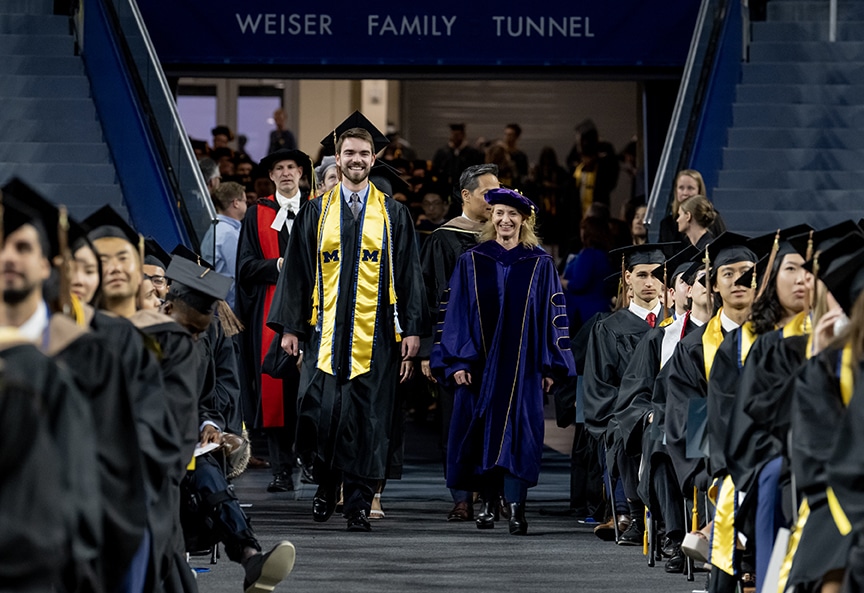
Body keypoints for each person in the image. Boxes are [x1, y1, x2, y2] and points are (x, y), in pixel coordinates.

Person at [267, 114, 428, 532]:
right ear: (336, 159)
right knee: (320, 413)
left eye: (363, 153)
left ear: (373, 159)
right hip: (324, 335)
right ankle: (325, 484)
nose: (355, 160)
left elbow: (410, 274)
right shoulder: (316, 213)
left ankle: (356, 504)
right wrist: (289, 328)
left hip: (374, 338)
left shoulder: (394, 215)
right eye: (348, 153)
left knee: (366, 421)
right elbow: (297, 273)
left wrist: (412, 330)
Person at [431, 187, 576, 536]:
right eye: (499, 213)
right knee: (480, 432)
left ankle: (516, 509)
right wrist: (458, 362)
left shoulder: (539, 263)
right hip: (478, 368)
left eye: (513, 214)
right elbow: (456, 314)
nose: (505, 220)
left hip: (525, 368)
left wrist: (549, 366)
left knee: (520, 436)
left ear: (524, 220)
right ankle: (486, 504)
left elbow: (552, 315)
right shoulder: (473, 259)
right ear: (490, 217)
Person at [418, 163, 500, 522]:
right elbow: (428, 296)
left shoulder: (505, 235)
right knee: (457, 422)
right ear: (466, 196)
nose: (493, 199)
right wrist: (427, 349)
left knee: (494, 421)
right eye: (487, 192)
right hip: (455, 347)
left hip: (498, 348)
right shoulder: (444, 238)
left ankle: (491, 493)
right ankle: (461, 496)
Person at [236, 147, 313, 493]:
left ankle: (310, 461)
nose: (285, 173)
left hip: (310, 312)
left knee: (309, 390)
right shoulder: (257, 214)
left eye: (291, 167)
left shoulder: (315, 209)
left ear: (301, 173)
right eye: (278, 168)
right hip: (269, 315)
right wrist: (277, 266)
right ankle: (282, 469)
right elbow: (245, 266)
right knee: (275, 390)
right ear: (271, 176)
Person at [583, 242, 668, 544]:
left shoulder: (676, 326)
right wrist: (625, 414)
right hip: (624, 412)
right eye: (642, 274)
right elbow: (599, 385)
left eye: (656, 275)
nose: (649, 282)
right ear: (627, 278)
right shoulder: (608, 328)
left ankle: (666, 520)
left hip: (669, 411)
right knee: (626, 429)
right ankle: (631, 513)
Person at [562, 216, 613, 334]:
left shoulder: (589, 254)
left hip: (584, 315)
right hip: (602, 309)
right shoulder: (605, 254)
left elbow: (578, 284)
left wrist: (561, 281)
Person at [201, 181, 247, 310]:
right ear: (236, 203)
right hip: (230, 306)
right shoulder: (228, 233)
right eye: (245, 201)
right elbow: (239, 274)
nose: (246, 205)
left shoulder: (216, 228)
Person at [657, 169, 726, 244]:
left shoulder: (711, 219)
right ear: (675, 190)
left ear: (699, 191)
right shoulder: (666, 224)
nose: (685, 193)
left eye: (690, 188)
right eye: (681, 188)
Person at [431, 123, 484, 200]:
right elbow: (435, 169)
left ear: (463, 135)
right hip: (446, 189)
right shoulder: (443, 152)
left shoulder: (472, 153)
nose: (455, 137)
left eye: (458, 134)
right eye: (453, 134)